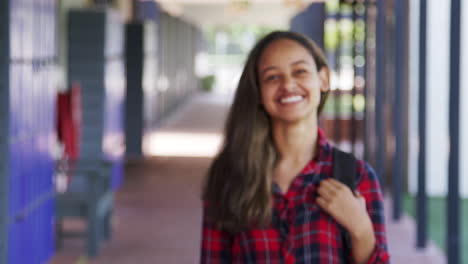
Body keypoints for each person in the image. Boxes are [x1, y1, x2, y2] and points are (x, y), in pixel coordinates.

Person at [200, 31, 390, 264]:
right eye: (272, 77)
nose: (288, 84)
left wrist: (360, 229)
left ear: (323, 79)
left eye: (300, 71)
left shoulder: (356, 176)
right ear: (258, 92)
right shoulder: (230, 174)